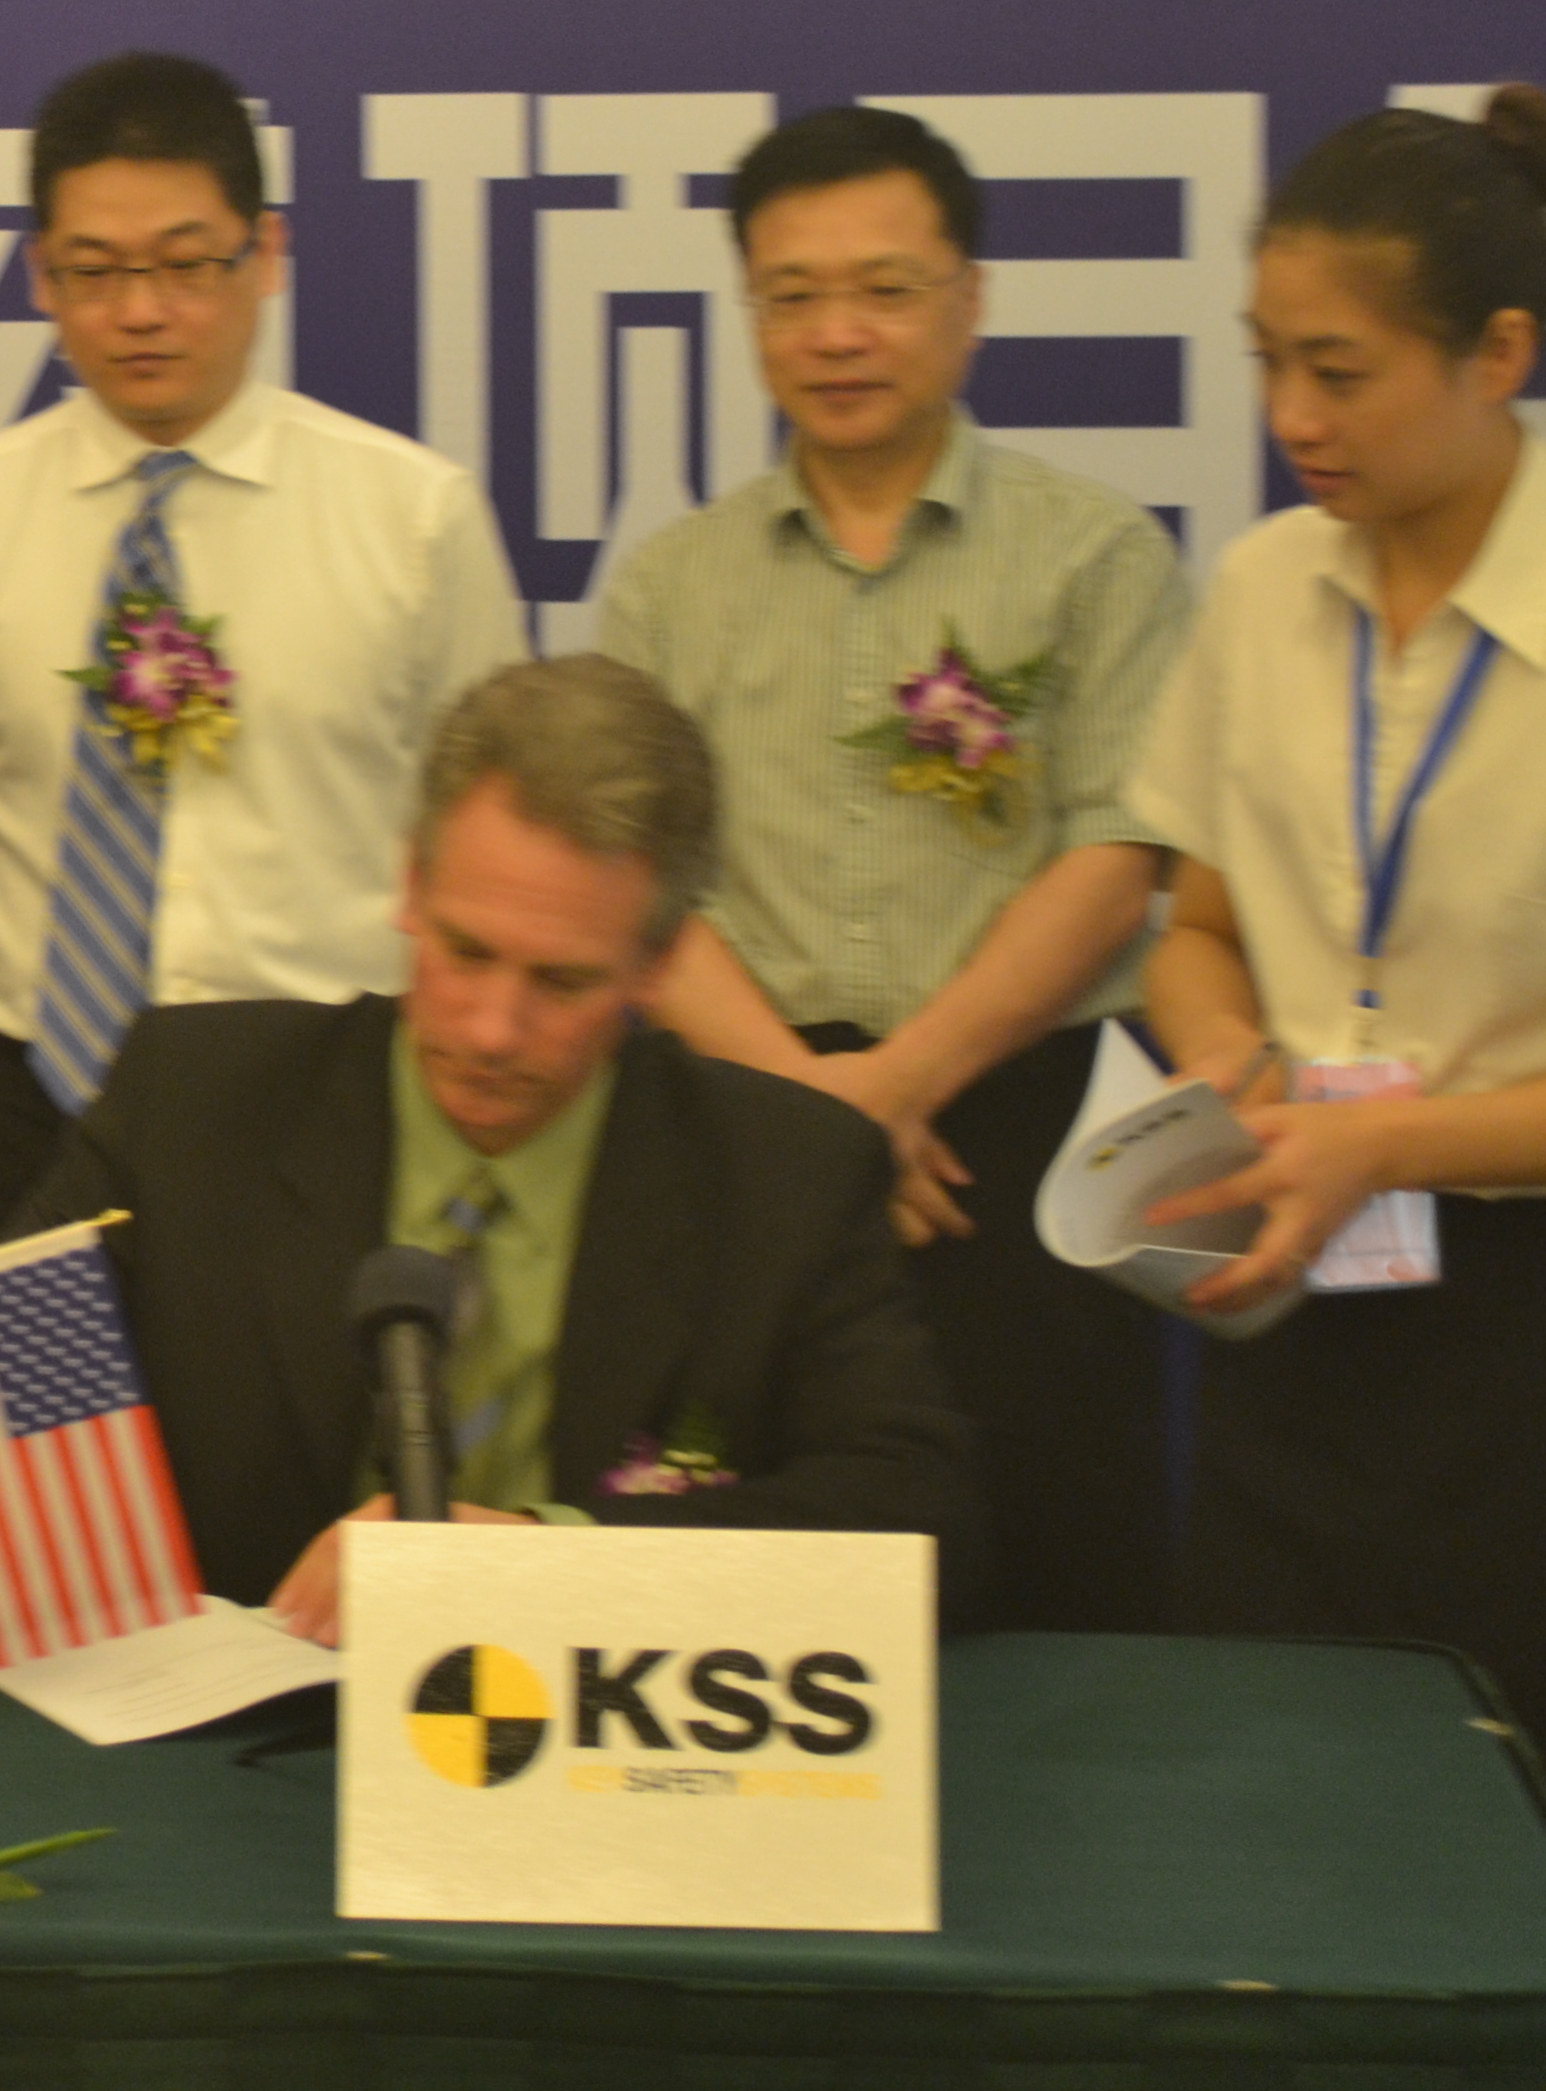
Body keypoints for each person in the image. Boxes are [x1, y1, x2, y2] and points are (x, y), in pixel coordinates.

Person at [24, 654, 982, 1641]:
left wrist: (542, 1562)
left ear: (657, 965)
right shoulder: (192, 1102)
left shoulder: (785, 1173)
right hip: (249, 1719)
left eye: (561, 983)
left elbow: (919, 1523)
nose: (492, 1030)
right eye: (466, 952)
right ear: (410, 887)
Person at [597, 105, 1192, 1632]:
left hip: (1015, 1135)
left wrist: (896, 1092)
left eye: (885, 289)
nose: (837, 334)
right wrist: (819, 1115)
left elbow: (1119, 852)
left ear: (970, 300)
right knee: (757, 1592)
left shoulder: (1097, 554)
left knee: (1057, 1568)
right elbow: (639, 887)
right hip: (744, 1133)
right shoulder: (670, 584)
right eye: (792, 295)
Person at [0, 51, 527, 1248]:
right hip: (38, 1110)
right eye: (95, 272)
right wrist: (48, 988)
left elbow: (487, 837)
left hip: (324, 1103)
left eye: (185, 264)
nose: (141, 312)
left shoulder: (413, 517)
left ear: (266, 254)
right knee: (17, 1383)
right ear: (40, 277)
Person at [1129, 90, 1546, 1715]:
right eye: (1266, 362)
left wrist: (1385, 1143)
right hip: (1297, 1279)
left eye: (1339, 371)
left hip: (1513, 1303)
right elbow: (1196, 928)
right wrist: (1230, 1067)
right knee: (1278, 1754)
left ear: (1496, 353)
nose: (1291, 416)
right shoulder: (1259, 587)